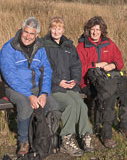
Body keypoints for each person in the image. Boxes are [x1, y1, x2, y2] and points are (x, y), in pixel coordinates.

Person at [0, 17, 59, 157]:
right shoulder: (9, 48)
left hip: (37, 87)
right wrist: (29, 95)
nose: (28, 36)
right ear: (21, 31)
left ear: (37, 35)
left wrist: (44, 92)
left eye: (32, 34)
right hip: (15, 88)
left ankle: (46, 138)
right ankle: (24, 141)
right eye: (26, 32)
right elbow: (10, 76)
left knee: (54, 106)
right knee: (25, 105)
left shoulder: (40, 47)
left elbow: (46, 70)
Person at [76, 16, 127, 149]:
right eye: (92, 29)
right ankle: (106, 134)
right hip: (88, 83)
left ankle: (125, 126)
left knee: (126, 95)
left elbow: (120, 61)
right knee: (108, 96)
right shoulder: (82, 46)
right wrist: (95, 65)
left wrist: (113, 65)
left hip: (107, 80)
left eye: (98, 29)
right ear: (88, 30)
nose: (95, 32)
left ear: (102, 31)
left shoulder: (109, 43)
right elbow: (78, 68)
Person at [42, 17, 94, 157]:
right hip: (53, 87)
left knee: (81, 105)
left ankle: (85, 136)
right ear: (50, 29)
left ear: (63, 30)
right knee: (70, 104)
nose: (56, 31)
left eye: (59, 28)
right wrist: (58, 81)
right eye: (54, 28)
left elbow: (76, 65)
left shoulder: (69, 45)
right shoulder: (43, 46)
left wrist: (75, 80)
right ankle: (66, 139)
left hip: (70, 86)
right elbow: (43, 69)